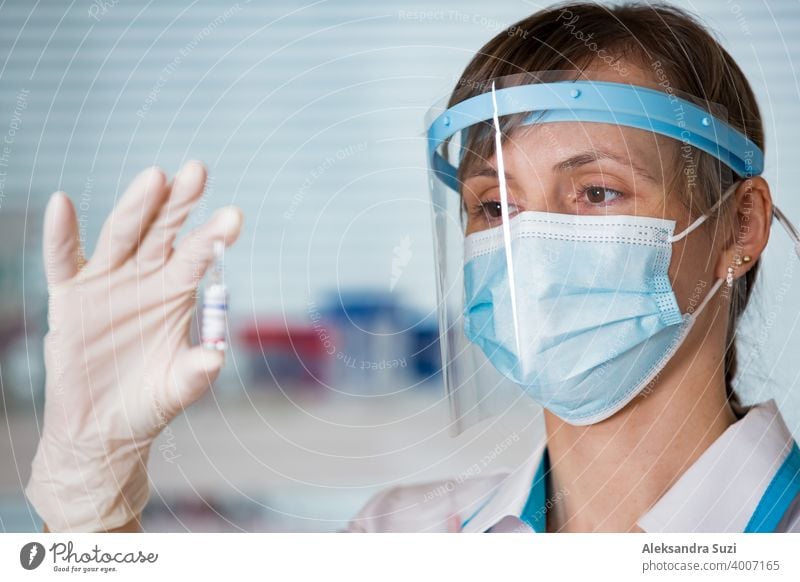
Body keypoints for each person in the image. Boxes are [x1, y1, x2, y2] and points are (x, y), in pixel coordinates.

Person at [25, 2, 800, 533]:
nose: (529, 248)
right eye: (494, 207)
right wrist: (89, 510)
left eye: (595, 192)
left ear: (741, 225)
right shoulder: (403, 535)